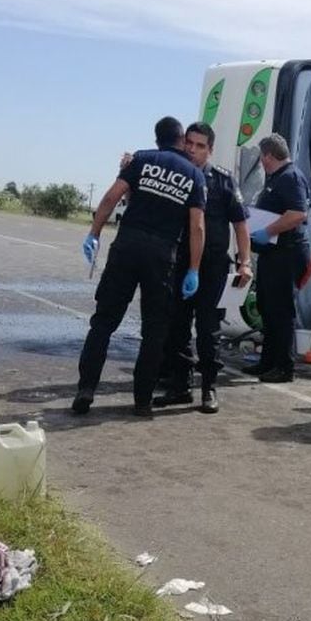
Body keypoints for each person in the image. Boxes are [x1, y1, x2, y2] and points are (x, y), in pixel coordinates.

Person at [72, 116, 206, 418]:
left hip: (127, 247)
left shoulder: (142, 160)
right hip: (162, 255)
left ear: (157, 139)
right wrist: (194, 268)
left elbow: (111, 197)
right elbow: (197, 227)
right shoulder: (194, 175)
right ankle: (142, 402)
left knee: (103, 322)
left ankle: (86, 389)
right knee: (154, 331)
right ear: (181, 138)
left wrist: (94, 233)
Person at [154, 122, 251, 413]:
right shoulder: (176, 176)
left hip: (212, 267)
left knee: (208, 330)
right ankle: (179, 387)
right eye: (190, 144)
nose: (193, 150)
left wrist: (244, 262)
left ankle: (209, 388)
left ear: (210, 150)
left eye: (200, 146)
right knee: (177, 327)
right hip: (178, 263)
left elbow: (241, 224)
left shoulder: (222, 181)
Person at [241, 134, 310, 384]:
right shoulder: (277, 178)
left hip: (287, 253)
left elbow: (298, 214)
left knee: (281, 310)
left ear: (268, 156)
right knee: (267, 307)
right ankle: (268, 361)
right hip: (273, 253)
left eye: (262, 157)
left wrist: (267, 231)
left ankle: (284, 367)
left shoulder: (290, 177)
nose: (261, 162)